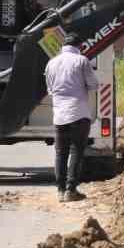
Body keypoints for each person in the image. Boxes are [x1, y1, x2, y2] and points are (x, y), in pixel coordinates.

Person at [43, 40, 96, 203]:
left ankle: (60, 191)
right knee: (76, 151)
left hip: (59, 115)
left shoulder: (51, 63)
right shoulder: (82, 60)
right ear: (79, 46)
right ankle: (71, 190)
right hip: (79, 113)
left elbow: (50, 90)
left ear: (62, 46)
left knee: (60, 152)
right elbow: (94, 85)